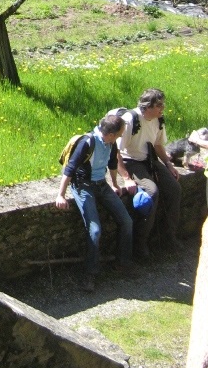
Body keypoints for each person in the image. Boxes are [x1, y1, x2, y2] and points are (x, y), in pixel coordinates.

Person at [55, 113, 134, 292]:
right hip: (83, 186)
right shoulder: (87, 143)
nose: (121, 136)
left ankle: (123, 263)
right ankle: (90, 274)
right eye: (120, 134)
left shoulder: (111, 143)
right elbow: (69, 169)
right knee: (95, 230)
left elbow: (112, 164)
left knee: (127, 221)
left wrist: (115, 185)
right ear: (111, 134)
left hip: (102, 185)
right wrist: (61, 195)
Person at [116, 88, 182, 260]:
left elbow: (158, 145)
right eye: (159, 105)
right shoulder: (130, 119)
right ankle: (140, 244)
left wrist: (168, 164)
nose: (163, 108)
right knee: (151, 192)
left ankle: (168, 238)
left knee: (174, 189)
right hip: (131, 161)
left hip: (150, 159)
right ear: (147, 107)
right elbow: (116, 152)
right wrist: (126, 178)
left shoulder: (158, 120)